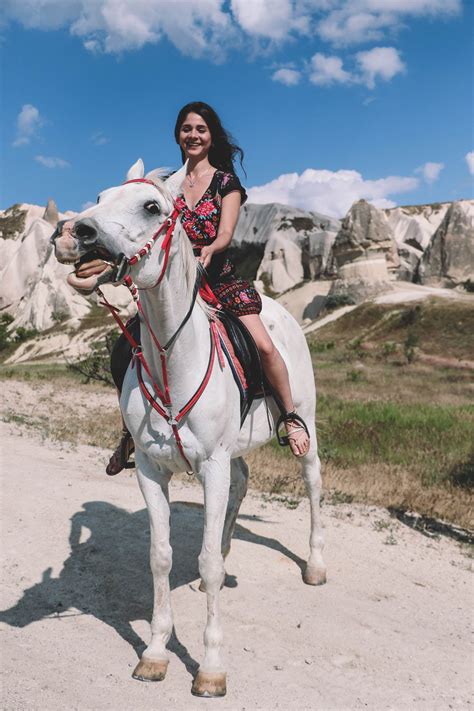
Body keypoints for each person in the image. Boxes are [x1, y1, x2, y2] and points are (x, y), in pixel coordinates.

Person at [78, 102, 310, 473]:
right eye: (186, 129)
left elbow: (226, 234)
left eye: (200, 129)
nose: (193, 135)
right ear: (178, 135)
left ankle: (291, 416)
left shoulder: (226, 183)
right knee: (128, 348)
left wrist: (209, 252)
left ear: (211, 135)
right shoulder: (166, 184)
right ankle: (130, 432)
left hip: (219, 279)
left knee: (264, 346)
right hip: (177, 284)